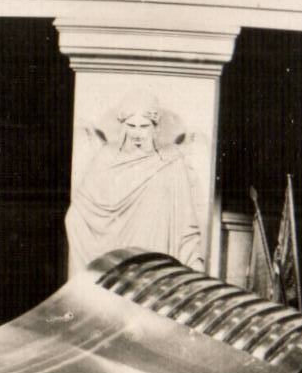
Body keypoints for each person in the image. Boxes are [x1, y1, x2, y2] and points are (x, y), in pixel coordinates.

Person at [64, 95, 207, 275]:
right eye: (131, 126)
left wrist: (193, 262)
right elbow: (81, 209)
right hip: (114, 255)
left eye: (144, 126)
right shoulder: (106, 157)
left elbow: (186, 224)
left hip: (154, 255)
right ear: (123, 127)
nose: (137, 133)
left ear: (155, 128)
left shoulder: (172, 163)